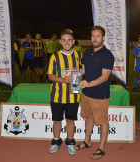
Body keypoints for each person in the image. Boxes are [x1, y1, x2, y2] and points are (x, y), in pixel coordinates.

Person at [77, 26, 114, 160]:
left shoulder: (107, 55)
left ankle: (102, 148)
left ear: (103, 38)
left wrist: (89, 83)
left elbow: (105, 76)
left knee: (103, 121)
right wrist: (75, 74)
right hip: (87, 93)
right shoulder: (87, 52)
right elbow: (84, 70)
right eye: (93, 36)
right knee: (88, 117)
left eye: (98, 36)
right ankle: (87, 141)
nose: (95, 39)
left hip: (100, 95)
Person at [47, 29, 82, 156]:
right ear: (60, 42)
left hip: (73, 94)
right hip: (57, 95)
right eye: (64, 40)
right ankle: (56, 141)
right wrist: (62, 79)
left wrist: (81, 74)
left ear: (73, 42)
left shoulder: (78, 54)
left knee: (70, 120)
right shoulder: (54, 56)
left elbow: (81, 70)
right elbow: (50, 75)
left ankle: (70, 142)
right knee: (57, 120)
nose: (66, 42)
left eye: (69, 40)